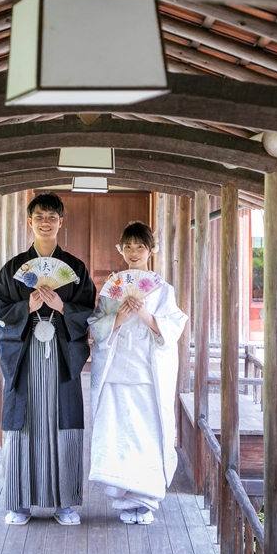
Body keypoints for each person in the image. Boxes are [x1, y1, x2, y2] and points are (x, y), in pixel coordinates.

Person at [0, 193, 96, 526]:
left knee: (62, 423)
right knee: (25, 423)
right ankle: (19, 503)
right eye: (39, 217)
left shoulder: (75, 268)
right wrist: (27, 307)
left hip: (61, 352)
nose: (46, 222)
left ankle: (63, 503)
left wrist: (63, 307)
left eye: (52, 217)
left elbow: (89, 310)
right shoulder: (14, 269)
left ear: (61, 222)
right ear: (30, 222)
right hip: (26, 352)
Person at [87, 221, 187, 525]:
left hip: (147, 376)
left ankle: (145, 503)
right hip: (117, 374)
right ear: (121, 249)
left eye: (140, 246)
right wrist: (118, 317)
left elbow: (172, 328)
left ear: (151, 250)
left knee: (146, 437)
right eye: (128, 246)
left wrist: (144, 313)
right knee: (120, 436)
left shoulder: (163, 290)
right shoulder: (113, 287)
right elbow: (97, 326)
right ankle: (124, 501)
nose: (134, 252)